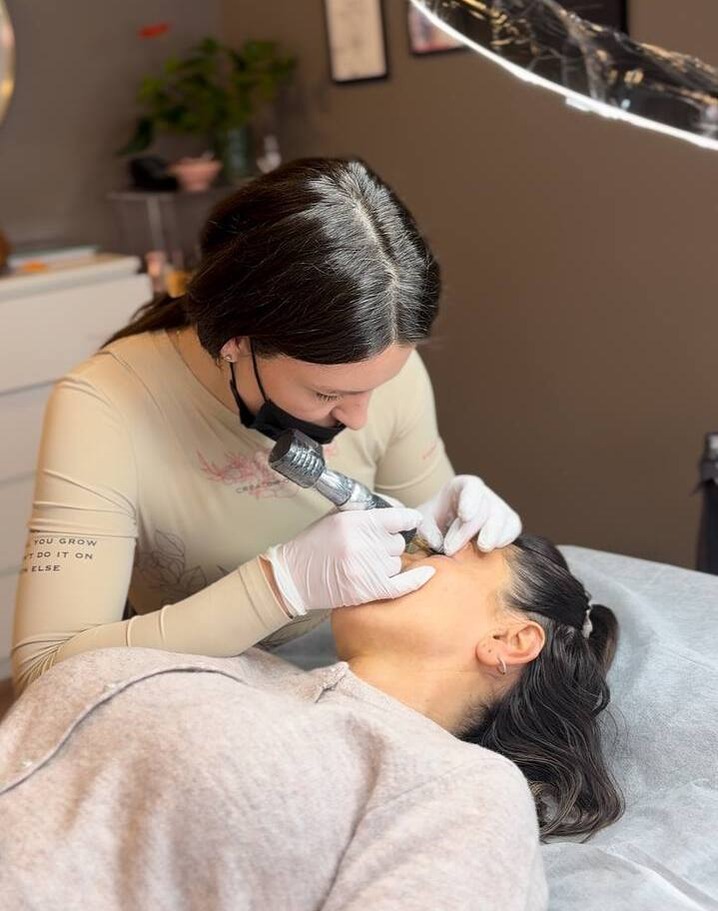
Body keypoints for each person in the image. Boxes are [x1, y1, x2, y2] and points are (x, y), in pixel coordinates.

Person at [11, 157, 522, 695]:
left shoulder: (378, 366)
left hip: (353, 671)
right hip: (193, 693)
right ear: (235, 340)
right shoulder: (103, 405)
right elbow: (45, 673)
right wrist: (280, 585)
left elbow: (429, 557)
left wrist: (451, 525)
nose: (359, 418)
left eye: (379, 385)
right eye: (327, 394)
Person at [0, 533, 621, 909]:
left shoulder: (465, 787)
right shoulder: (236, 661)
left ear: (511, 639)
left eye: (435, 553)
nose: (402, 551)